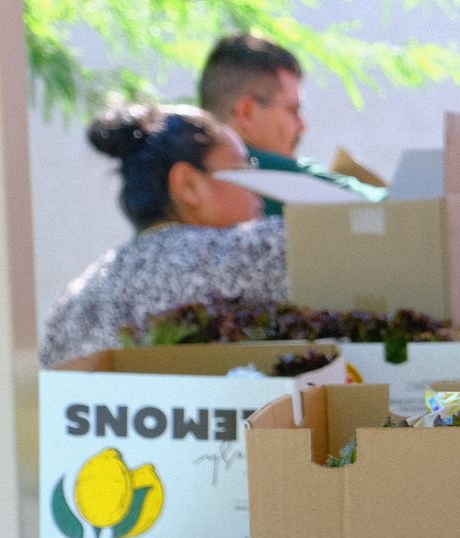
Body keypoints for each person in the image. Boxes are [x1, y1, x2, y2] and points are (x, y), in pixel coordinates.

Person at [39, 104, 285, 367]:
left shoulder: (77, 298)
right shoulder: (247, 253)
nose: (258, 189)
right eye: (244, 169)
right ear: (188, 185)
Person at [197, 33, 383, 214]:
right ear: (247, 112)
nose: (302, 126)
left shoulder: (181, 170)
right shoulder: (266, 171)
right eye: (293, 111)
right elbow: (395, 206)